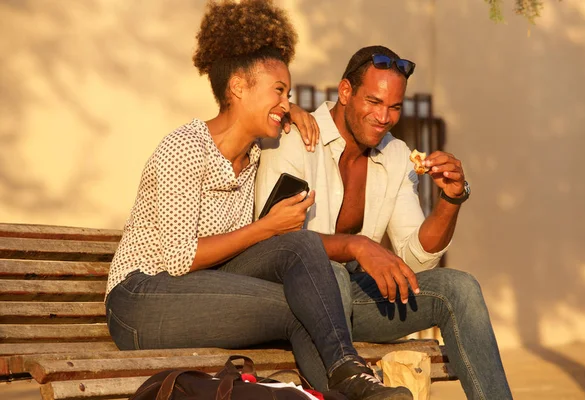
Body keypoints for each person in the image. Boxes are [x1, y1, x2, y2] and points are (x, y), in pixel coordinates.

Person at [105, 2, 413, 399]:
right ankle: (354, 380)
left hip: (205, 286)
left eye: (289, 93)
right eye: (279, 91)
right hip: (142, 299)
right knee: (303, 307)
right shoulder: (184, 148)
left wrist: (292, 111)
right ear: (237, 87)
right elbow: (181, 259)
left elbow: (272, 114)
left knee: (301, 246)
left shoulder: (253, 155)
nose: (286, 102)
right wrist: (266, 228)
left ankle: (350, 381)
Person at [256, 45, 513, 399]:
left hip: (353, 300)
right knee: (332, 274)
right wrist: (357, 246)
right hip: (293, 302)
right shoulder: (293, 140)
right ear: (345, 91)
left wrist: (451, 200)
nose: (384, 117)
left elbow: (414, 259)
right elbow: (278, 246)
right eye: (374, 102)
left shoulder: (395, 155)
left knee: (461, 288)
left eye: (394, 107)